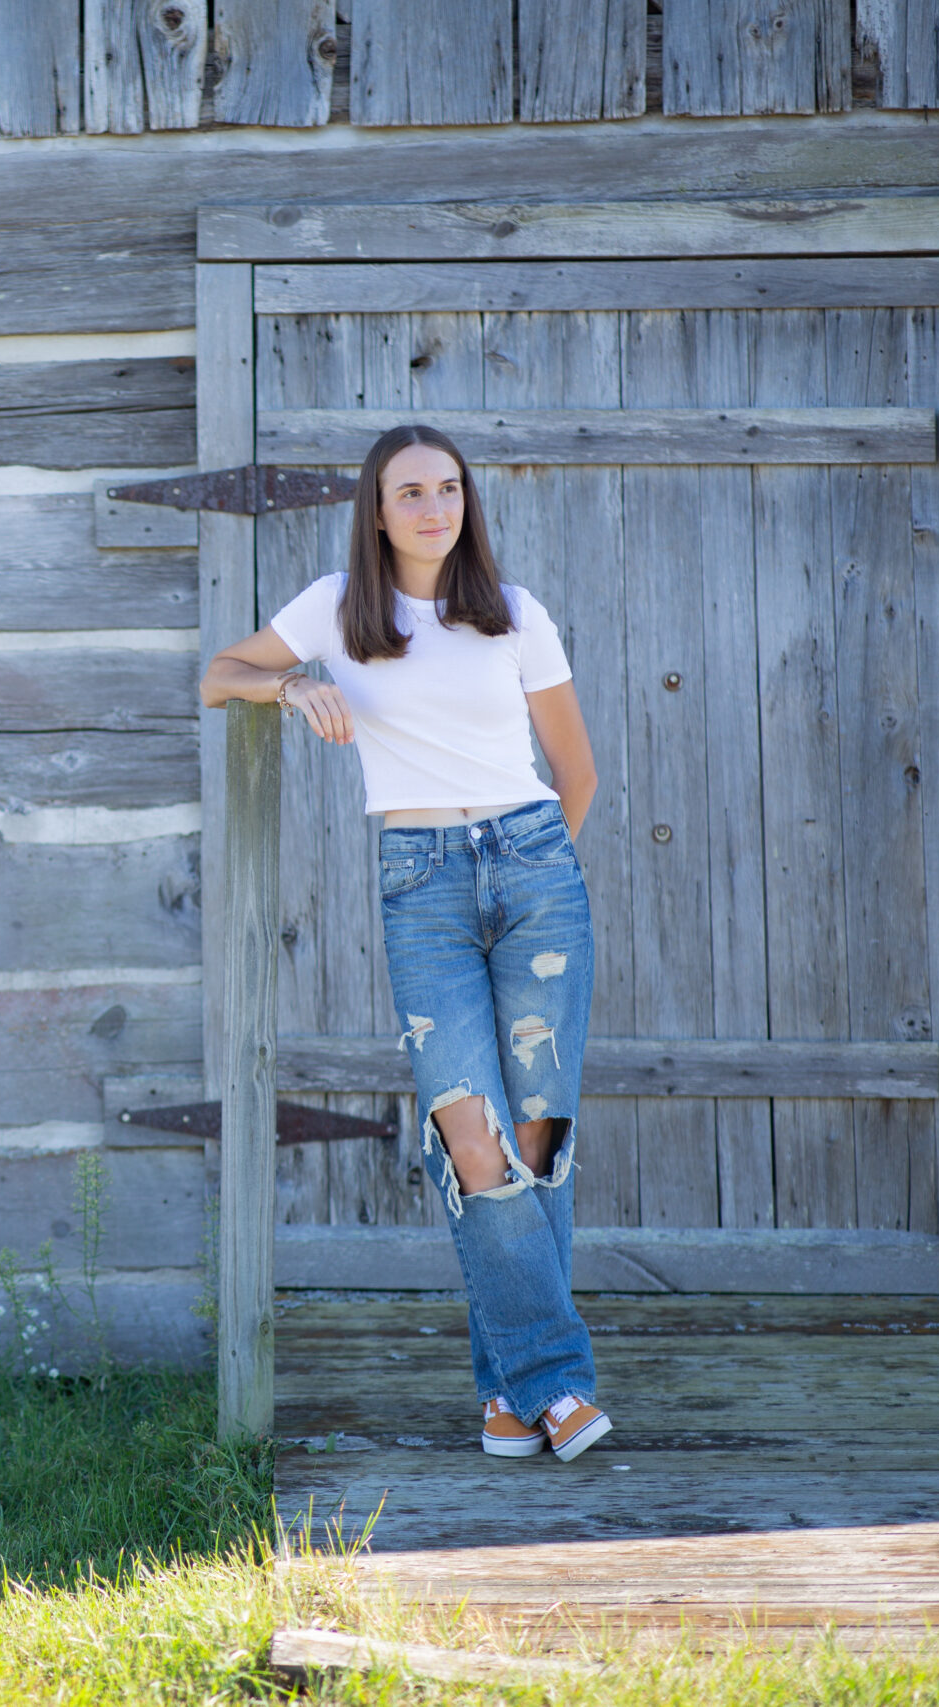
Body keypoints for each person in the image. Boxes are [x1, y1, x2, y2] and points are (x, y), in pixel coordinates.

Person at [198, 424, 612, 1464]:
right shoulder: (337, 611)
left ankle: (512, 1401)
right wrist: (290, 686)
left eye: (448, 489)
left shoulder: (515, 615)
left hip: (532, 870)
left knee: (534, 1141)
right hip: (418, 881)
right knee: (467, 1134)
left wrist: (531, 867)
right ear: (375, 511)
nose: (433, 507)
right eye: (409, 492)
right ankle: (557, 1383)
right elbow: (218, 674)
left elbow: (577, 775)